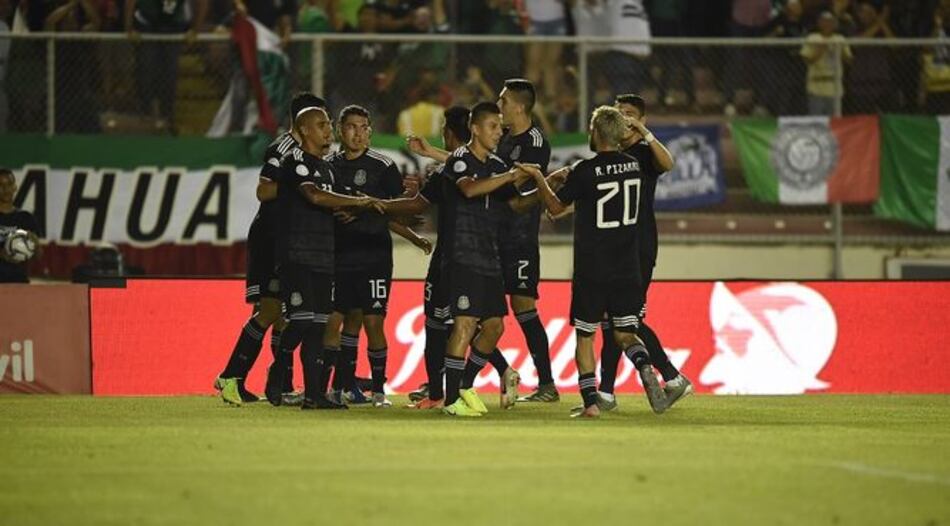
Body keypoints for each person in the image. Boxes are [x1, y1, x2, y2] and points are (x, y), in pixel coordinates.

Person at [519, 105, 667, 418]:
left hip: (593, 267)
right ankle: (645, 366)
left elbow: (557, 209)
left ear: (596, 133)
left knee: (585, 335)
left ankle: (590, 405)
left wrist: (540, 178)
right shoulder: (634, 167)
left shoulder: (585, 171)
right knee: (626, 333)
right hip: (628, 266)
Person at [266, 104, 385, 410]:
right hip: (297, 255)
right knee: (303, 322)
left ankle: (313, 395)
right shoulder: (295, 162)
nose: (327, 129)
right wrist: (356, 202)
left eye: (328, 124)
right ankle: (278, 371)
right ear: (304, 130)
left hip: (323, 256)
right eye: (321, 125)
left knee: (319, 325)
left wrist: (380, 207)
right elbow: (315, 196)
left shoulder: (328, 168)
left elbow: (349, 199)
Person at [216, 92, 327, 406]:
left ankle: (282, 384)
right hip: (269, 237)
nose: (325, 126)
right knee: (268, 311)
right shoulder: (282, 149)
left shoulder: (309, 154)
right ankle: (230, 376)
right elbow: (264, 190)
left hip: (289, 239)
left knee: (280, 313)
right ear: (302, 122)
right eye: (320, 119)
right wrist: (300, 187)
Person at [435, 101, 535, 417]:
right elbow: (470, 190)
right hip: (462, 254)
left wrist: (549, 186)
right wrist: (508, 176)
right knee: (464, 325)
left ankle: (464, 383)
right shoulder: (460, 160)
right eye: (493, 126)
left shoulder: (494, 164)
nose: (499, 132)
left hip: (489, 256)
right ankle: (451, 400)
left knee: (493, 327)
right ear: (475, 129)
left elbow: (516, 205)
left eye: (500, 127)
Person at [593, 94, 692, 413]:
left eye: (631, 114)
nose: (624, 119)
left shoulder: (644, 153)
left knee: (626, 320)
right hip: (614, 247)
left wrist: (646, 135)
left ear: (642, 120)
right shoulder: (611, 155)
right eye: (619, 114)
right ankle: (607, 391)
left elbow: (668, 163)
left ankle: (672, 377)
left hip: (638, 247)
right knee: (613, 318)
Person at [324, 104, 408, 408]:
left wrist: (361, 212)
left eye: (364, 128)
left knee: (372, 321)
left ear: (370, 132)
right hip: (340, 255)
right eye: (351, 127)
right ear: (339, 131)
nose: (358, 134)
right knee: (334, 320)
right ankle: (336, 387)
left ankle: (378, 392)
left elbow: (400, 209)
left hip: (374, 256)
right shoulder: (328, 166)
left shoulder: (383, 166)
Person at [801, 11, 853, 116]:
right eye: (824, 21)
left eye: (830, 21)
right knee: (816, 118)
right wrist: (822, 48)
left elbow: (849, 60)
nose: (827, 24)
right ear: (819, 23)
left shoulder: (840, 39)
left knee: (835, 119)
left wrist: (840, 51)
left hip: (835, 86)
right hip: (816, 86)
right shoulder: (812, 38)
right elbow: (807, 60)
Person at [0, 168, 39, 283]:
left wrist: (35, 244)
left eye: (9, 184)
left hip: (19, 283)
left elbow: (38, 256)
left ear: (15, 187)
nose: (6, 189)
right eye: (1, 185)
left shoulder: (26, 218)